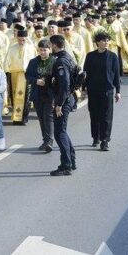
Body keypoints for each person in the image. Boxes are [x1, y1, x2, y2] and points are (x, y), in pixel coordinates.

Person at [83, 32, 122, 151]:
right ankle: (96, 137)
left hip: (107, 90)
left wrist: (118, 91)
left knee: (106, 116)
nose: (106, 43)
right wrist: (84, 88)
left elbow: (116, 74)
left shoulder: (112, 56)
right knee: (94, 115)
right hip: (93, 90)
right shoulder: (90, 56)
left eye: (107, 40)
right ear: (97, 43)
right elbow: (86, 73)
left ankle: (105, 140)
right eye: (104, 40)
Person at [49, 35, 77, 176]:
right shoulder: (67, 57)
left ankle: (66, 165)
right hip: (67, 98)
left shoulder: (61, 61)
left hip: (64, 100)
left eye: (50, 45)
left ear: (54, 45)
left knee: (59, 133)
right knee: (62, 131)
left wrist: (59, 103)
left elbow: (64, 84)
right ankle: (71, 159)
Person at [26, 39, 55, 153]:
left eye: (45, 50)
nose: (42, 52)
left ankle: (49, 141)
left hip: (50, 93)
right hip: (37, 93)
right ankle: (45, 140)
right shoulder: (33, 62)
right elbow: (28, 76)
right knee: (41, 117)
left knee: (48, 116)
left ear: (50, 50)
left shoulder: (54, 61)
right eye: (41, 50)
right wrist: (36, 81)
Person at [4, 30, 36, 125]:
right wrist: (6, 72)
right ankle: (16, 118)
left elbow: (34, 62)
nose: (21, 42)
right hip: (14, 74)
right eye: (20, 40)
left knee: (26, 97)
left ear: (26, 39)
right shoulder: (12, 48)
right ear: (17, 39)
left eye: (23, 40)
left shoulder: (31, 48)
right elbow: (7, 62)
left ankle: (23, 118)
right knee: (14, 96)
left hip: (27, 75)